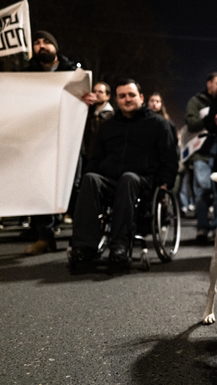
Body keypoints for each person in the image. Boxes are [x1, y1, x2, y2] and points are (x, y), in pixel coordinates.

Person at [69, 79, 178, 264]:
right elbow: (96, 159)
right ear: (116, 100)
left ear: (141, 97)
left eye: (131, 95)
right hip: (111, 180)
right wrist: (90, 174)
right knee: (90, 179)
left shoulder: (158, 124)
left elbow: (169, 159)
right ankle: (83, 247)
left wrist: (165, 185)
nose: (127, 99)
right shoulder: (109, 126)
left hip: (144, 181)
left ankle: (119, 246)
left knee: (128, 179)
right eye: (122, 96)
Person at [23, 30, 96, 255]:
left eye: (46, 42)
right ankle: (45, 237)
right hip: (39, 141)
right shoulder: (25, 75)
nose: (41, 46)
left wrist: (89, 103)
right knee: (39, 186)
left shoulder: (74, 72)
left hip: (69, 141)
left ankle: (79, 238)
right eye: (37, 43)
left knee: (72, 187)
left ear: (55, 46)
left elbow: (83, 109)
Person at [185, 72, 217, 244]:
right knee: (204, 189)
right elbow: (192, 124)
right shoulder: (196, 102)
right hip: (201, 152)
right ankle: (202, 227)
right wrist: (210, 119)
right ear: (209, 84)